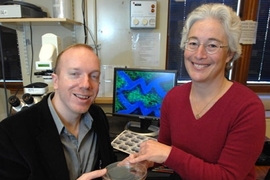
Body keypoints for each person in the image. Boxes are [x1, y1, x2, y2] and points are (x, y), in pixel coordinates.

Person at [128, 3, 266, 180]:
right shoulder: (173, 98)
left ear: (230, 54)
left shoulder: (248, 108)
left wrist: (168, 154)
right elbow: (165, 148)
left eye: (212, 45)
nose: (199, 54)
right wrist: (145, 160)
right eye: (193, 43)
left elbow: (228, 176)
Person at [0, 44, 117, 180]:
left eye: (94, 76)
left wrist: (126, 168)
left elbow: (106, 164)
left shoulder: (97, 116)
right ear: (56, 81)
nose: (86, 84)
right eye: (74, 74)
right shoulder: (10, 134)